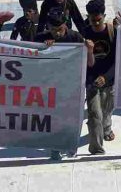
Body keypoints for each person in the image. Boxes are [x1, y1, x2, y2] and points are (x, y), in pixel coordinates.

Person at [35, 10, 87, 161]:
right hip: (51, 86)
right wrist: (44, 49)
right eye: (53, 30)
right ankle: (55, 147)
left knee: (72, 119)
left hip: (72, 85)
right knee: (54, 119)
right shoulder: (41, 38)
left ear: (65, 25)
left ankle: (70, 145)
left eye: (60, 29)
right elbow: (31, 58)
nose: (57, 33)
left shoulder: (75, 37)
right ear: (48, 27)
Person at [82, 0, 117, 155]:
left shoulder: (112, 32)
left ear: (104, 16)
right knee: (95, 114)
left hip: (110, 79)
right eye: (92, 20)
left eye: (98, 20)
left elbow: (119, 59)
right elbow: (86, 63)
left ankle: (107, 129)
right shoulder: (86, 33)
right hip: (92, 81)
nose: (96, 24)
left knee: (107, 110)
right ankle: (96, 149)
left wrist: (106, 77)